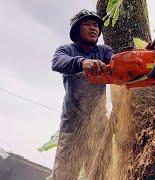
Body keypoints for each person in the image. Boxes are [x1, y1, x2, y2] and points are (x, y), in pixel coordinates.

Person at [51, 9, 113, 179]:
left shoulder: (105, 52)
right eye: (87, 24)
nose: (93, 28)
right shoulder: (66, 51)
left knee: (101, 175)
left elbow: (119, 63)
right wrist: (82, 63)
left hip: (99, 128)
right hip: (72, 127)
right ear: (76, 30)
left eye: (96, 25)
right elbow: (57, 63)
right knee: (64, 175)